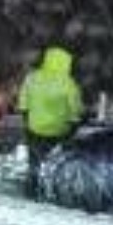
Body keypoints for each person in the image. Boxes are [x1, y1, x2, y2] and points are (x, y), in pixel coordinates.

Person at [15, 45, 83, 198]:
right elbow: (75, 110)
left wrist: (27, 120)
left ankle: (31, 187)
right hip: (59, 131)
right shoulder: (69, 83)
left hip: (34, 128)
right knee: (57, 161)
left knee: (35, 161)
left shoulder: (32, 78)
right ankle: (54, 190)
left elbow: (23, 103)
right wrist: (73, 125)